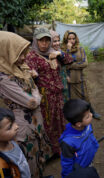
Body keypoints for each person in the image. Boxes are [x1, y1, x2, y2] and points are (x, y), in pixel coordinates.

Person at [0, 31, 52, 177]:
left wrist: (35, 95)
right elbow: (31, 102)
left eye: (24, 53)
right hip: (24, 127)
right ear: (5, 52)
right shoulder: (3, 78)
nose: (23, 58)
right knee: (28, 161)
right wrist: (37, 96)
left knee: (38, 156)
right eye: (19, 54)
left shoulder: (20, 67)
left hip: (36, 122)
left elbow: (34, 92)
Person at [25, 27, 66, 155]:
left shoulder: (53, 52)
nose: (44, 44)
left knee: (59, 120)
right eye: (41, 41)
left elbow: (70, 60)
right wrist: (32, 75)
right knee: (48, 122)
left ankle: (61, 147)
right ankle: (49, 151)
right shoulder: (31, 56)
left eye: (47, 41)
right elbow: (28, 74)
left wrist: (60, 54)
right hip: (45, 98)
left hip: (58, 95)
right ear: (35, 41)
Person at [61, 30, 101, 119]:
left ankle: (92, 112)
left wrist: (71, 65)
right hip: (69, 80)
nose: (72, 40)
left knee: (85, 97)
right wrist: (68, 50)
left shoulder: (80, 49)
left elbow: (85, 63)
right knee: (72, 99)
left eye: (73, 38)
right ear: (65, 40)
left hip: (79, 78)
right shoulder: (63, 50)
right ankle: (76, 116)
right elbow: (64, 63)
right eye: (69, 39)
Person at [59, 99, 99, 178]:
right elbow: (67, 162)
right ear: (78, 124)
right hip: (80, 169)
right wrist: (68, 176)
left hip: (89, 161)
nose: (91, 115)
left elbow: (90, 136)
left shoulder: (87, 125)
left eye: (90, 112)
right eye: (87, 116)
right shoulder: (68, 142)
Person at [0, 107, 30, 178]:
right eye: (10, 127)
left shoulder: (13, 142)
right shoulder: (2, 164)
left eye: (14, 122)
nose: (16, 126)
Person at [50, 30, 73, 103]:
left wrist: (66, 75)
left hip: (63, 82)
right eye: (54, 41)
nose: (57, 43)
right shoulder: (47, 54)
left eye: (58, 40)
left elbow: (69, 60)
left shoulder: (59, 51)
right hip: (55, 87)